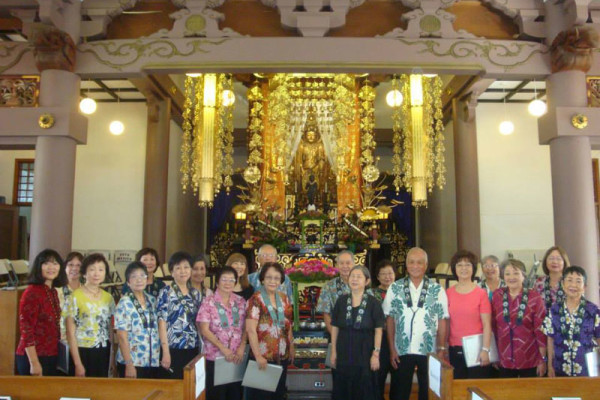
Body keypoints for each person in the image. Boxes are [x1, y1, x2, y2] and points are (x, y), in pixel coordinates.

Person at [382, 247, 448, 400]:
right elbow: (390, 319)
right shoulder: (395, 287)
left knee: (428, 392)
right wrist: (392, 349)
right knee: (399, 392)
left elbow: (442, 319)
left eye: (419, 262)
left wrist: (442, 348)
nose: (415, 266)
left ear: (426, 265)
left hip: (429, 349)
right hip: (401, 349)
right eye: (411, 262)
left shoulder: (437, 289)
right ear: (406, 265)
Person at [330, 266, 385, 400]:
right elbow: (335, 327)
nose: (354, 279)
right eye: (352, 276)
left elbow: (378, 330)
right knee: (343, 390)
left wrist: (376, 354)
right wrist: (333, 352)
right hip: (343, 355)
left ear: (366, 281)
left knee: (364, 391)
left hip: (365, 355)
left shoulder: (374, 303)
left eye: (359, 276)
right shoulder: (341, 301)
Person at [197, 266, 248, 400]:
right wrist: (223, 349)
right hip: (215, 357)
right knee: (216, 395)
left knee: (235, 395)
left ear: (236, 282)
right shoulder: (208, 302)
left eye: (231, 280)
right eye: (224, 279)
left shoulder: (241, 301)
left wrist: (242, 347)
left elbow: (246, 327)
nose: (228, 283)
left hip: (237, 357)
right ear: (217, 282)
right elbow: (204, 329)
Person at [246, 262, 294, 400]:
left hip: (281, 357)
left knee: (278, 395)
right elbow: (250, 330)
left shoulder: (284, 299)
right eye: (269, 278)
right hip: (263, 358)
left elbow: (288, 324)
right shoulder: (256, 299)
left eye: (276, 278)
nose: (273, 281)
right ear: (262, 279)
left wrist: (291, 346)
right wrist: (258, 356)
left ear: (281, 280)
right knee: (261, 396)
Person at [15, 249, 67, 376]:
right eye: (46, 263)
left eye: (55, 263)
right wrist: (34, 363)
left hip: (51, 354)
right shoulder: (32, 292)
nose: (51, 267)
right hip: (33, 356)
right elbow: (26, 330)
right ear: (39, 267)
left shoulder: (52, 291)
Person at [491, 259, 547, 378]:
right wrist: (494, 355)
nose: (512, 277)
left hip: (530, 357)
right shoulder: (497, 295)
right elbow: (493, 327)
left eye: (516, 273)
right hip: (504, 358)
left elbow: (540, 330)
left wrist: (542, 359)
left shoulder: (534, 298)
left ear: (523, 276)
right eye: (507, 273)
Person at [64, 253, 116, 377]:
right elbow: (70, 333)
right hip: (81, 350)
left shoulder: (108, 298)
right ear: (84, 273)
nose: (96, 273)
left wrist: (112, 357)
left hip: (103, 350)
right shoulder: (74, 297)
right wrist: (77, 364)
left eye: (101, 269)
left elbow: (110, 328)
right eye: (92, 269)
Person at [543, 266, 600, 377]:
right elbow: (550, 339)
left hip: (588, 369)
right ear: (563, 284)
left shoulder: (594, 311)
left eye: (578, 281)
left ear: (584, 287)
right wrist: (550, 366)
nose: (573, 285)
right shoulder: (554, 310)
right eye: (569, 280)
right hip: (560, 368)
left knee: (588, 394)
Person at [444, 250, 492, 379]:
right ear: (454, 269)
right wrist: (444, 347)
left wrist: (485, 349)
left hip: (477, 349)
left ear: (474, 268)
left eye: (468, 265)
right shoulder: (447, 293)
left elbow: (487, 324)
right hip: (455, 348)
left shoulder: (481, 294)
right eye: (459, 265)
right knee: (457, 389)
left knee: (476, 390)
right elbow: (446, 322)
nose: (463, 268)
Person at [157, 251, 203, 379]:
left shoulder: (196, 294)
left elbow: (199, 322)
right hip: (173, 347)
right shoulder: (165, 292)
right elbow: (162, 323)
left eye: (186, 267)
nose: (183, 271)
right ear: (172, 272)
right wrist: (165, 352)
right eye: (178, 268)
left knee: (191, 385)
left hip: (193, 347)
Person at [115, 261, 160, 378]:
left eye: (142, 276)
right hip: (133, 362)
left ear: (147, 279)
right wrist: (129, 364)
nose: (139, 279)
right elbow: (121, 335)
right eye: (134, 276)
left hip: (152, 360)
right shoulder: (124, 303)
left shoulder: (152, 300)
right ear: (128, 282)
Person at [371, 259, 397, 400]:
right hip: (379, 339)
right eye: (384, 274)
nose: (387, 277)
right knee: (378, 376)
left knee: (398, 376)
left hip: (397, 339)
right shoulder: (371, 294)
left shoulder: (401, 292)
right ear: (378, 276)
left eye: (390, 273)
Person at [316, 250, 355, 334]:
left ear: (354, 265)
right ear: (337, 266)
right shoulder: (328, 287)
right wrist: (335, 336)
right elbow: (326, 314)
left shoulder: (363, 285)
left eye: (348, 263)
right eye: (341, 263)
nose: (345, 266)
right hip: (338, 332)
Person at [534, 246, 569, 313]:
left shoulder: (570, 283)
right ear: (545, 262)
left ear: (564, 262)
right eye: (551, 258)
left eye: (559, 259)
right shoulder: (539, 282)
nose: (555, 262)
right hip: (542, 321)